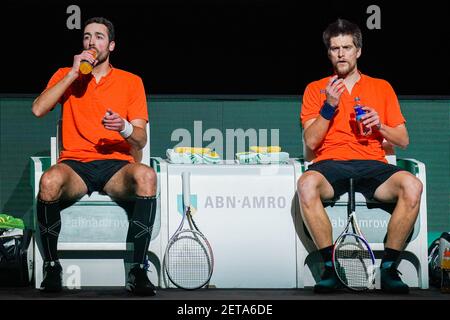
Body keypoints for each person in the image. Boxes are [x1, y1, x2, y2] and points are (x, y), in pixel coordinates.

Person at [32, 17, 157, 296]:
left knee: (147, 175)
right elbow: (38, 109)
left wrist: (124, 128)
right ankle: (52, 267)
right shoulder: (67, 74)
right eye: (87, 37)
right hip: (76, 165)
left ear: (111, 45)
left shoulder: (131, 81)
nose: (91, 42)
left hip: (116, 166)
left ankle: (138, 270)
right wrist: (72, 75)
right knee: (49, 181)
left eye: (99, 37)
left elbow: (140, 138)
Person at [298, 19, 423, 294]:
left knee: (413, 185)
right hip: (330, 164)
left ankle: (389, 269)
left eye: (346, 47)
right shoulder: (315, 88)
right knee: (306, 184)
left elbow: (403, 140)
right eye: (334, 48)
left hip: (373, 164)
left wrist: (379, 126)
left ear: (358, 51)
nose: (341, 53)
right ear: (328, 53)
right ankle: (331, 270)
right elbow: (311, 141)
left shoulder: (381, 87)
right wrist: (329, 106)